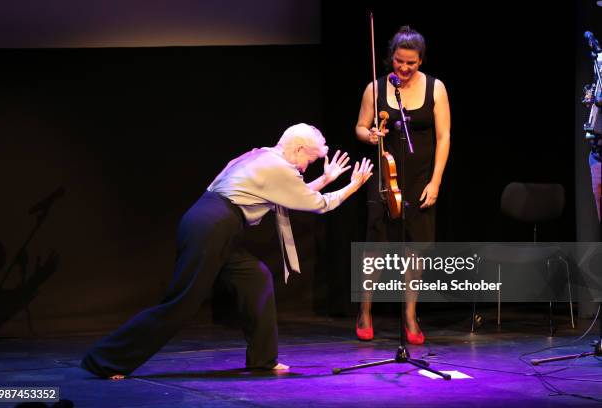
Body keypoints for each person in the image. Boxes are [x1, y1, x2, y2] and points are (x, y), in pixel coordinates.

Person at [81, 123, 373, 379]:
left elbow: (291, 193)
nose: (305, 167)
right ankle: (105, 360)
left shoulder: (264, 156)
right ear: (297, 149)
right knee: (180, 304)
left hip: (211, 221)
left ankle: (262, 360)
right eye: (308, 161)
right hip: (213, 227)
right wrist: (353, 186)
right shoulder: (279, 168)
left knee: (255, 279)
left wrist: (326, 180)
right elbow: (316, 204)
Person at [354, 26, 451, 344]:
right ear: (390, 58)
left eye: (411, 63)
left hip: (421, 178)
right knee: (376, 247)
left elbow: (443, 137)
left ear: (420, 60)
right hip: (385, 176)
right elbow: (360, 127)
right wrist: (370, 135)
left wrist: (435, 182)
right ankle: (365, 311)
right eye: (399, 62)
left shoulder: (436, 88)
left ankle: (410, 315)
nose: (404, 69)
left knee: (415, 250)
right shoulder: (375, 88)